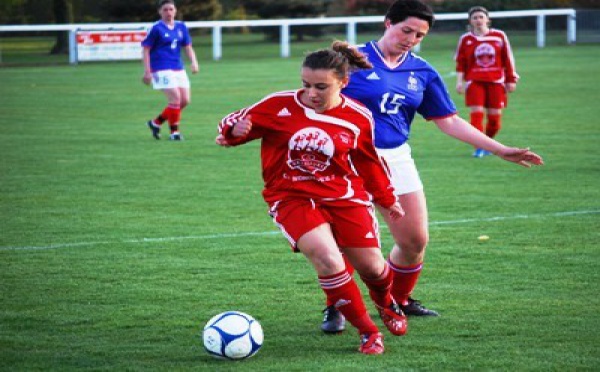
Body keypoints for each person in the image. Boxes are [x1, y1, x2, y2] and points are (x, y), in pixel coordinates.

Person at [320, 0, 543, 334]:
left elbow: (449, 121)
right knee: (349, 242)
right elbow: (313, 100)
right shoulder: (349, 61)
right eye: (406, 29)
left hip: (395, 158)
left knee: (414, 240)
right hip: (346, 160)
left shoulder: (422, 71)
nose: (411, 38)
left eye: (419, 34)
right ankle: (336, 307)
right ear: (387, 23)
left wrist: (499, 149)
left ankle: (399, 300)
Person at [215, 41, 410, 355]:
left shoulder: (358, 117)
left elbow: (367, 162)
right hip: (291, 197)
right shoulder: (279, 105)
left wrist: (387, 198)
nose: (311, 93)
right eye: (306, 84)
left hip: (345, 196)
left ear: (343, 84)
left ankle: (385, 301)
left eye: (322, 86)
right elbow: (233, 127)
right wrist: (233, 131)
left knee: (373, 269)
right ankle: (369, 332)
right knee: (328, 258)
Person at [455, 6, 519, 158]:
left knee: (494, 121)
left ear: (487, 20)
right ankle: (479, 147)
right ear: (470, 21)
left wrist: (511, 79)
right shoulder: (466, 39)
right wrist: (459, 82)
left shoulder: (499, 36)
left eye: (481, 17)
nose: (478, 20)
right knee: (476, 116)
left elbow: (508, 59)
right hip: (474, 82)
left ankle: (488, 144)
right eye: (475, 18)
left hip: (496, 82)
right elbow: (460, 62)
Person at [141, 0, 199, 141]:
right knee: (175, 99)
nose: (168, 12)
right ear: (160, 12)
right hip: (160, 68)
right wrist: (147, 71)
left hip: (178, 67)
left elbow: (188, 46)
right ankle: (175, 133)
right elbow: (146, 49)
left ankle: (156, 123)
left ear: (175, 10)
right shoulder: (156, 28)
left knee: (184, 100)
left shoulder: (181, 27)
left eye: (171, 9)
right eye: (165, 9)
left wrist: (194, 62)